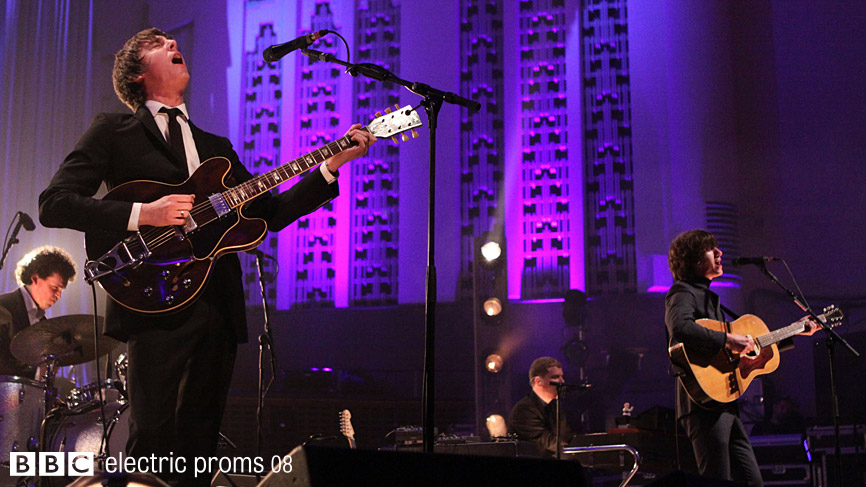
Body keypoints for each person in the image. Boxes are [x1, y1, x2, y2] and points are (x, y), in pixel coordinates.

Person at [38, 28, 375, 487]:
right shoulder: (113, 131)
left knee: (198, 448)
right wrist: (145, 214)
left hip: (215, 302)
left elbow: (270, 214)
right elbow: (55, 202)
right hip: (151, 297)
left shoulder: (216, 147)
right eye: (158, 42)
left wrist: (331, 166)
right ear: (138, 73)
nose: (173, 44)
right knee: (151, 438)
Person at [665, 230, 817, 486]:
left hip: (725, 403)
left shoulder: (710, 299)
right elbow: (680, 328)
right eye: (711, 249)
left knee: (752, 481)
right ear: (693, 259)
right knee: (717, 481)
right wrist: (727, 340)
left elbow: (749, 347)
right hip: (702, 406)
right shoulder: (682, 293)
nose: (720, 253)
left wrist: (797, 330)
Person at [0, 246, 76, 377]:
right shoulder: (4, 307)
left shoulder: (42, 321)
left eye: (61, 290)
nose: (58, 296)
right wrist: (36, 371)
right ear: (35, 278)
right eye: (54, 288)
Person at [508, 356, 574, 458]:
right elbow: (547, 443)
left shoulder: (556, 406)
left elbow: (566, 436)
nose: (562, 381)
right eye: (556, 377)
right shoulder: (523, 410)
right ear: (538, 381)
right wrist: (577, 451)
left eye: (562, 376)